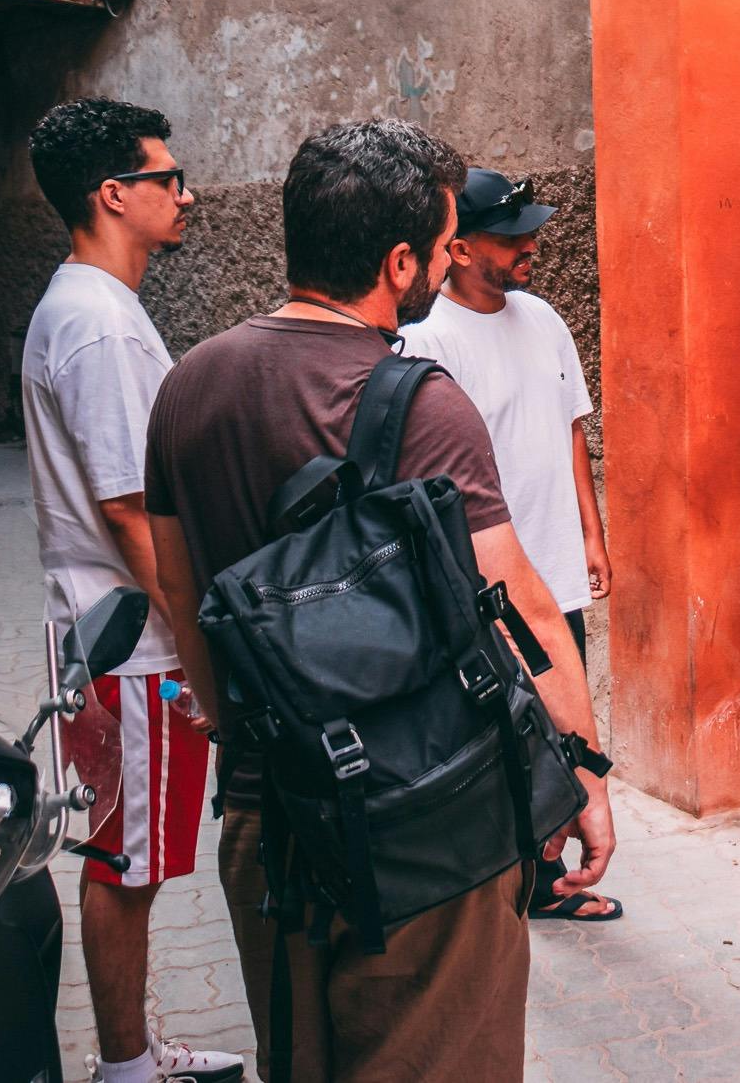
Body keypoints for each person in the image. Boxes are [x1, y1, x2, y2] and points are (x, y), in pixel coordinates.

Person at [143, 121, 616, 1081]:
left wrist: (242, 731)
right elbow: (519, 602)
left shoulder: (187, 385)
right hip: (420, 822)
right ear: (398, 261)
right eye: (442, 249)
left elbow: (178, 588)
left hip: (268, 813)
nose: (449, 265)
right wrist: (584, 772)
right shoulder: (418, 401)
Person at [19, 98, 245, 1083]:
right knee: (125, 861)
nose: (185, 193)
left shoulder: (90, 306)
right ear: (114, 195)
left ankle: (137, 1049)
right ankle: (124, 1068)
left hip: (113, 638)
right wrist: (199, 646)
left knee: (133, 858)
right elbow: (129, 511)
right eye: (167, 177)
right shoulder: (98, 325)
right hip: (135, 645)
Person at [400, 167, 620, 923]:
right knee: (503, 740)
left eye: (532, 230)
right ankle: (509, 886)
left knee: (562, 734)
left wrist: (591, 535)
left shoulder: (544, 318)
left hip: (555, 576)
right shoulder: (426, 342)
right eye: (510, 235)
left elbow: (571, 429)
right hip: (490, 586)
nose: (531, 244)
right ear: (457, 248)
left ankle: (545, 878)